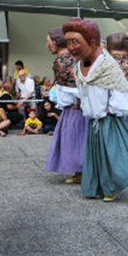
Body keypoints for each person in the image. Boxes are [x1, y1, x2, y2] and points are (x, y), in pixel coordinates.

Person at [65, 22, 128, 202]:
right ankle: (98, 186)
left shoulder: (109, 64)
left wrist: (114, 108)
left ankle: (112, 185)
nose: (71, 48)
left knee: (112, 152)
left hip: (110, 114)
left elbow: (121, 89)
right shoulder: (86, 64)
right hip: (98, 114)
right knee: (99, 153)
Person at [44, 25, 89, 185]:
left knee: (76, 139)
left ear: (57, 42)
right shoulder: (71, 59)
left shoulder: (63, 61)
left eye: (48, 41)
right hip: (77, 107)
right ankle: (80, 171)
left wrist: (79, 100)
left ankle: (82, 171)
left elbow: (77, 86)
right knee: (77, 139)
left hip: (76, 109)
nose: (47, 45)